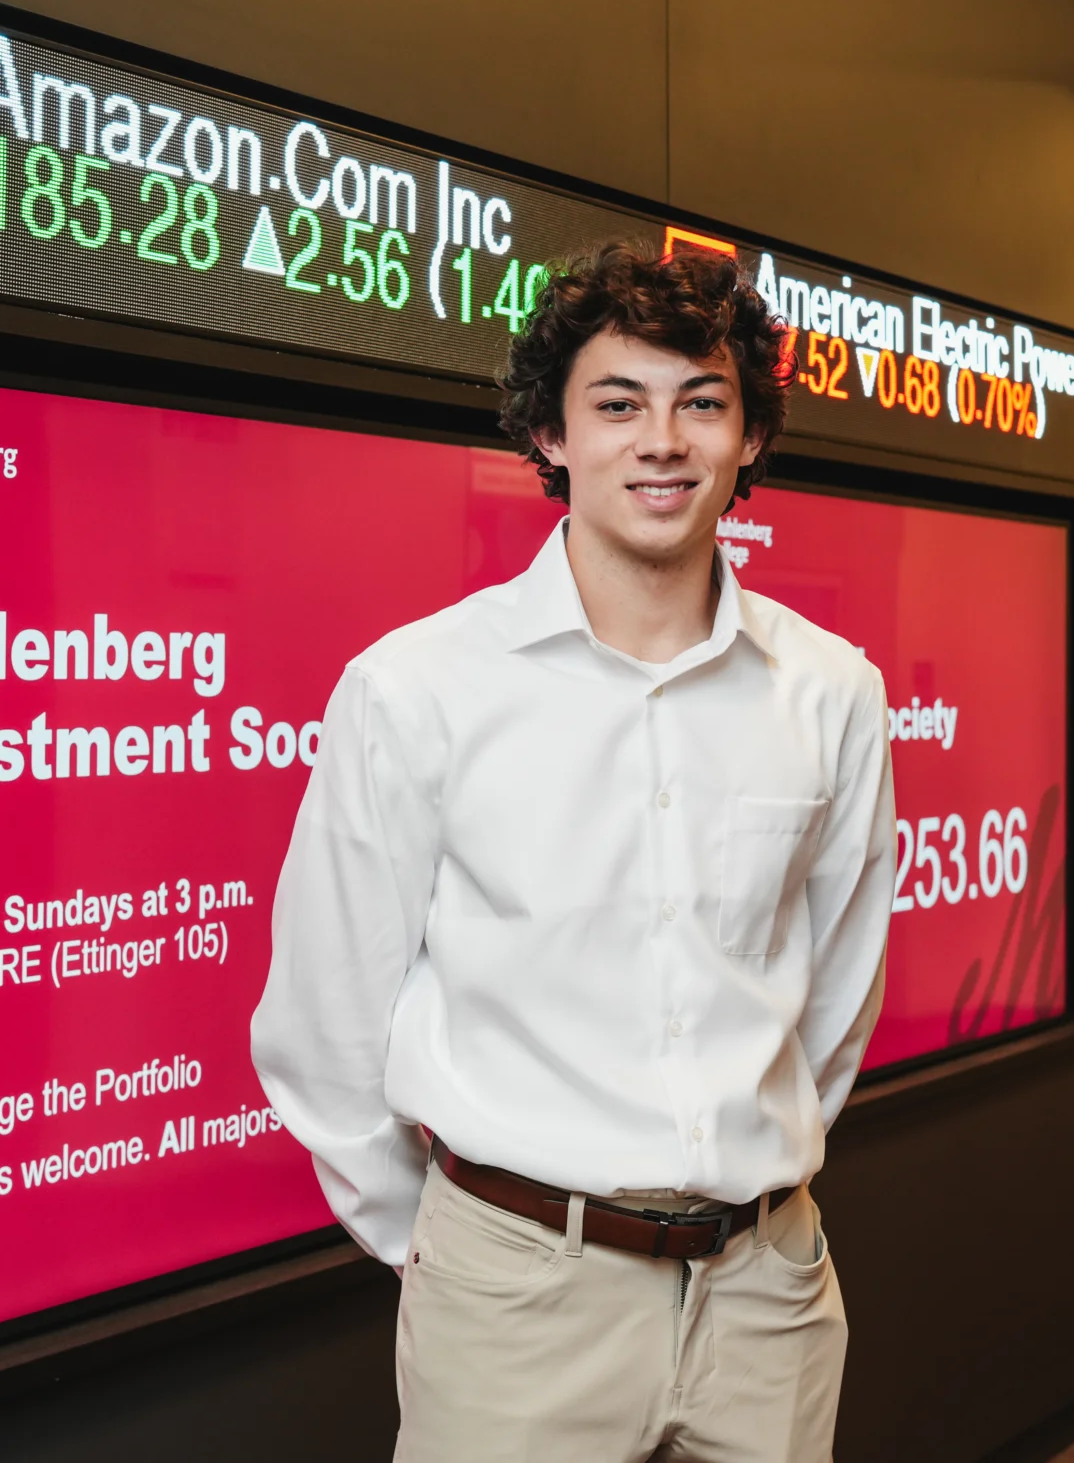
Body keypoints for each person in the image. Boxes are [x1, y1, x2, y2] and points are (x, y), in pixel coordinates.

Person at [250, 240, 897, 1460]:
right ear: (550, 436)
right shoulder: (416, 689)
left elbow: (834, 1005)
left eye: (702, 403)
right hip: (514, 1303)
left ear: (749, 439)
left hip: (769, 1298)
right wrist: (450, 1252)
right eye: (618, 404)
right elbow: (325, 1027)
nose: (663, 440)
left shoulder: (831, 693)